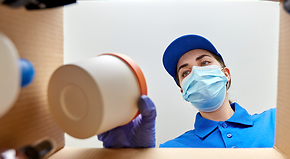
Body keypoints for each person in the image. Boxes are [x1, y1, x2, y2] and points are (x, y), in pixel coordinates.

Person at [98, 34, 276, 148]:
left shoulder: (275, 121)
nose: (197, 73)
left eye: (204, 63)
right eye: (186, 72)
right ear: (184, 91)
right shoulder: (172, 150)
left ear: (226, 74)